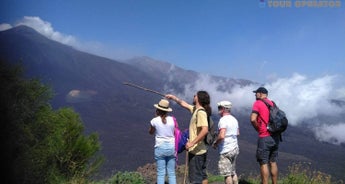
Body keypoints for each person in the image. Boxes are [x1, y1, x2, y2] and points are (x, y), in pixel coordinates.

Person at [166, 91, 211, 184]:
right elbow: (183, 104)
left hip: (196, 151)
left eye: (195, 95)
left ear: (198, 98)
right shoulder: (196, 110)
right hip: (200, 150)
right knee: (202, 176)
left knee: (195, 179)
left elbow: (205, 130)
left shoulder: (200, 112)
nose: (193, 96)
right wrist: (173, 97)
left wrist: (192, 143)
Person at [250, 87, 280, 184]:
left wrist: (257, 128)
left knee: (263, 163)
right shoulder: (272, 103)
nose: (255, 95)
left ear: (261, 94)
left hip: (265, 137)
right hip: (275, 137)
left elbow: (253, 119)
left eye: (256, 93)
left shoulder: (258, 103)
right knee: (273, 162)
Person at [149, 99, 176, 184]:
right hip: (171, 147)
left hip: (160, 147)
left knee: (161, 173)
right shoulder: (172, 120)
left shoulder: (154, 120)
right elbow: (174, 131)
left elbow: (151, 132)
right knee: (171, 173)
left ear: (158, 110)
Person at [212, 101, 240, 184]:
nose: (218, 110)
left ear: (224, 109)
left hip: (226, 150)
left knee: (227, 175)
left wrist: (216, 143)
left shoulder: (223, 120)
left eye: (219, 108)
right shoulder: (234, 119)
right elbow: (237, 133)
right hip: (235, 148)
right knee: (233, 172)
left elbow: (221, 136)